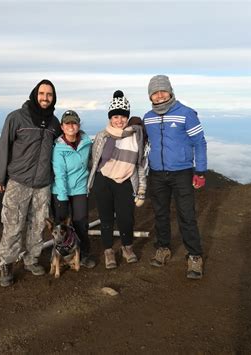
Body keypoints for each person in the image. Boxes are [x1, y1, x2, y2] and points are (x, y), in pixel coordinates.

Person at [0, 79, 61, 287]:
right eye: (42, 94)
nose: (45, 98)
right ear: (34, 94)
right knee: (12, 225)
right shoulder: (17, 118)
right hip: (18, 181)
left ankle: (31, 259)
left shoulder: (54, 123)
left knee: (38, 225)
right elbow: (4, 146)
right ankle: (6, 264)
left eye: (49, 95)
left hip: (43, 183)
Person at [143, 75, 207, 279]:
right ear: (150, 95)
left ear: (170, 91)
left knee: (186, 214)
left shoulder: (186, 114)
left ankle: (195, 255)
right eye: (155, 92)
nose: (159, 95)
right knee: (160, 213)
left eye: (163, 91)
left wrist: (201, 171)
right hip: (157, 173)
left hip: (182, 172)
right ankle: (163, 248)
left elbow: (200, 142)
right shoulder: (148, 117)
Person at [87, 90, 147, 269]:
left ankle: (127, 247)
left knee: (126, 218)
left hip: (126, 181)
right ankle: (108, 251)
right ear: (110, 118)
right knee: (105, 218)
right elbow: (94, 160)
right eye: (115, 117)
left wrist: (142, 189)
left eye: (122, 116)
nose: (119, 120)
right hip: (103, 181)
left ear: (127, 117)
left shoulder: (136, 135)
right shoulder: (101, 136)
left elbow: (140, 164)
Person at [51, 110, 95, 269]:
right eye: (67, 123)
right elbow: (60, 174)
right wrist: (62, 197)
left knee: (81, 223)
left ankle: (84, 254)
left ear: (79, 125)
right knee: (61, 226)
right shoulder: (58, 148)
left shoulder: (86, 142)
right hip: (60, 191)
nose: (71, 126)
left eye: (74, 122)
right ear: (62, 126)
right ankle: (59, 256)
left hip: (80, 189)